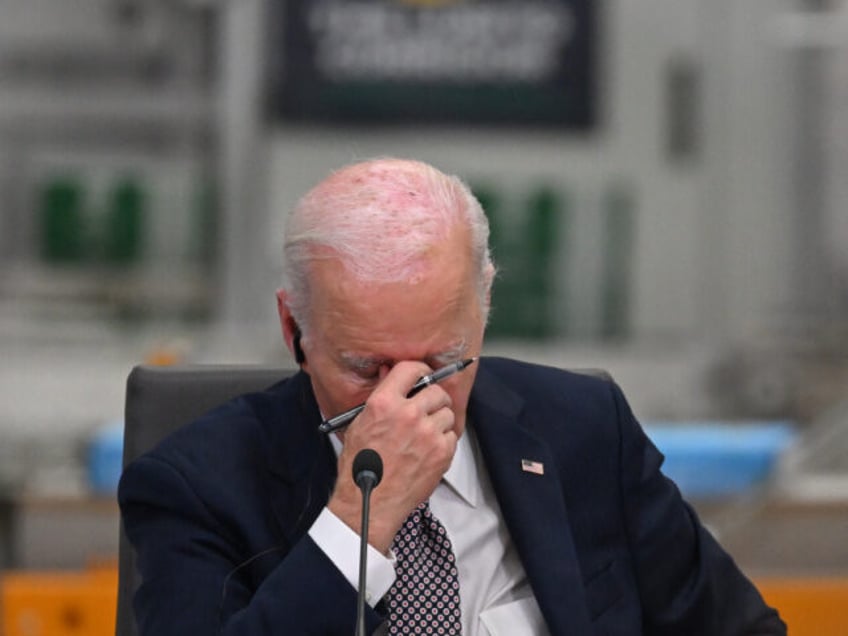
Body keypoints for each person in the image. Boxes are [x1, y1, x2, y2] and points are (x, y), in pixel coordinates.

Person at [118, 157, 786, 635]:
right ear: (294, 328)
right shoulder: (195, 485)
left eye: (440, 362)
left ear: (484, 308)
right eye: (366, 367)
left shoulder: (582, 429)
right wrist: (357, 523)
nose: (405, 400)